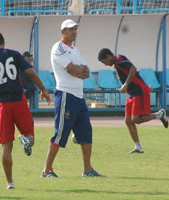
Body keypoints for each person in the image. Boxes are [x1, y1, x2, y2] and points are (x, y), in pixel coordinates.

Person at [0, 32, 50, 189]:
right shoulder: (14, 54)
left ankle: (9, 182)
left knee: (6, 146)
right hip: (19, 101)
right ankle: (24, 139)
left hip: (3, 105)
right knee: (30, 139)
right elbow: (30, 73)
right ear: (4, 42)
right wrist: (43, 89)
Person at [42, 19, 105, 178]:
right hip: (65, 94)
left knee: (86, 133)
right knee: (60, 132)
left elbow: (86, 71)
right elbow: (72, 69)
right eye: (71, 29)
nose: (74, 32)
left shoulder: (75, 50)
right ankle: (47, 169)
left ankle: (88, 169)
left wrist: (80, 71)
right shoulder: (58, 47)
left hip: (78, 95)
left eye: (75, 29)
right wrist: (79, 71)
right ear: (63, 31)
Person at [98, 48, 169, 153]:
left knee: (135, 119)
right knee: (128, 121)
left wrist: (126, 85)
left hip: (139, 92)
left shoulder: (119, 58)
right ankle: (138, 147)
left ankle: (159, 114)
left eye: (105, 62)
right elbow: (134, 74)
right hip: (132, 94)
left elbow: (133, 69)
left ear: (108, 56)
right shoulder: (117, 64)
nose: (105, 64)